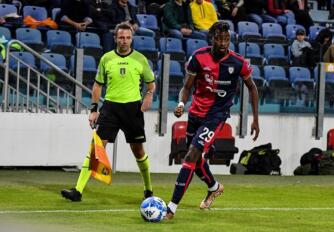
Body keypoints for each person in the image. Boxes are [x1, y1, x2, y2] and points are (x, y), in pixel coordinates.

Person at [165, 21, 260, 220]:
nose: (224, 42)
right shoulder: (198, 57)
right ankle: (214, 187)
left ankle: (171, 208)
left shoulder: (238, 62)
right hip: (195, 114)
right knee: (197, 159)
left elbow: (252, 87)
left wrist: (255, 119)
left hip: (216, 116)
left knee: (190, 156)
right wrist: (182, 104)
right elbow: (187, 86)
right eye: (219, 38)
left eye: (227, 39)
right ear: (212, 38)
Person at [61, 22, 156, 202]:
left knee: (138, 151)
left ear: (132, 39)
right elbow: (98, 85)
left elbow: (151, 84)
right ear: (115, 38)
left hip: (132, 109)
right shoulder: (106, 59)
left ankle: (148, 189)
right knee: (96, 148)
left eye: (128, 37)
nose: (124, 41)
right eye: (121, 37)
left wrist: (149, 95)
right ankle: (77, 191)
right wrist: (94, 109)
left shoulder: (140, 59)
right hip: (110, 108)